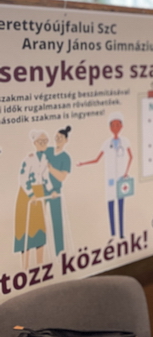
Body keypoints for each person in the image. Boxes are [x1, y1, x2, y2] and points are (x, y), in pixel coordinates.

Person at [78, 113, 133, 239]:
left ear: (122, 126)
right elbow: (97, 159)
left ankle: (121, 233)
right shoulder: (106, 143)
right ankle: (113, 233)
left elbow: (131, 157)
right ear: (109, 127)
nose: (115, 128)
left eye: (117, 125)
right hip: (110, 179)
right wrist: (83, 163)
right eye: (112, 125)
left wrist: (126, 172)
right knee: (110, 203)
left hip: (121, 179)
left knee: (121, 204)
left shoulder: (125, 141)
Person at [14, 130, 51, 269]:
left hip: (40, 192)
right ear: (35, 143)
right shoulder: (28, 159)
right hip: (27, 195)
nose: (43, 144)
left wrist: (52, 190)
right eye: (41, 141)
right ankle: (25, 267)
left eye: (45, 141)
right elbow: (23, 178)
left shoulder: (45, 158)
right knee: (26, 229)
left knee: (40, 229)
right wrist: (31, 194)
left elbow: (46, 176)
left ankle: (40, 265)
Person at [45, 126, 72, 257]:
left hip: (55, 192)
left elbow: (62, 177)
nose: (58, 139)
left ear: (66, 140)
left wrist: (50, 169)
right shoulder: (48, 151)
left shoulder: (65, 158)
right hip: (42, 188)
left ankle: (59, 252)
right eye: (56, 137)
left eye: (60, 138)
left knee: (57, 222)